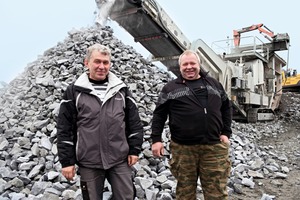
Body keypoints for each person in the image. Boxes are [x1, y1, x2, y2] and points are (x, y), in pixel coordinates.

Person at [56, 43, 144, 200]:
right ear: (87, 62)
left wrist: (134, 149)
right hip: (89, 161)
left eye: (105, 62)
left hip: (119, 159)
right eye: (97, 61)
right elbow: (64, 128)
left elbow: (134, 122)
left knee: (126, 197)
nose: (102, 66)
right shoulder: (74, 91)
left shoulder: (121, 89)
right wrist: (67, 161)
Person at [151, 49, 232, 199]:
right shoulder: (170, 88)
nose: (189, 67)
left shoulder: (214, 84)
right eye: (185, 64)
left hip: (213, 148)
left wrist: (226, 132)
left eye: (192, 63)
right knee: (185, 193)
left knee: (217, 193)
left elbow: (226, 107)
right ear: (180, 67)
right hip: (183, 149)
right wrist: (156, 139)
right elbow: (159, 114)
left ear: (199, 65)